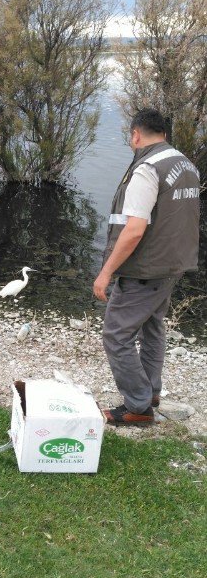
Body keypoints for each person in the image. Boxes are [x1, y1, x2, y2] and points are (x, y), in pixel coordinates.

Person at [93, 108, 200, 426]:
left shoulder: (147, 168)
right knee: (153, 326)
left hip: (145, 269)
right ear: (164, 134)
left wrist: (106, 271)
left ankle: (138, 406)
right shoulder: (185, 164)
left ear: (136, 135)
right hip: (174, 264)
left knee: (116, 334)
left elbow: (135, 228)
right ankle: (150, 391)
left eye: (130, 136)